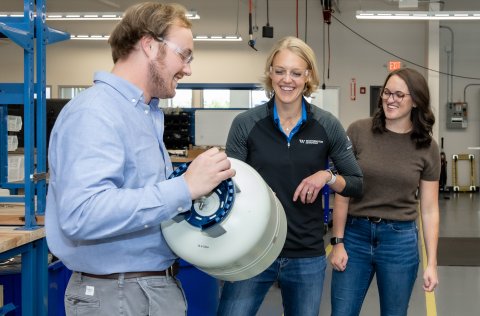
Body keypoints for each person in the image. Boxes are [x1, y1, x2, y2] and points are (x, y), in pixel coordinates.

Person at [45, 3, 235, 315]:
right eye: (183, 55)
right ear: (149, 45)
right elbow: (81, 214)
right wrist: (183, 188)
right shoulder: (95, 113)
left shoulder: (143, 114)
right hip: (117, 296)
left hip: (143, 290)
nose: (187, 69)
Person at [217, 36, 363, 316]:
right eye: (280, 70)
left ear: (308, 76)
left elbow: (355, 183)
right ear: (270, 72)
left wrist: (327, 176)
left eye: (296, 73)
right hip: (252, 250)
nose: (287, 80)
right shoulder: (245, 124)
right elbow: (229, 185)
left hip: (305, 255)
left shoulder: (327, 125)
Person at [329, 67, 440, 316]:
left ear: (416, 101)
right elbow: (344, 191)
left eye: (400, 95)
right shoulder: (358, 131)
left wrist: (432, 263)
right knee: (342, 312)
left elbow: (430, 209)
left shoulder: (426, 147)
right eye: (387, 93)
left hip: (399, 241)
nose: (391, 99)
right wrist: (338, 241)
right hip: (355, 237)